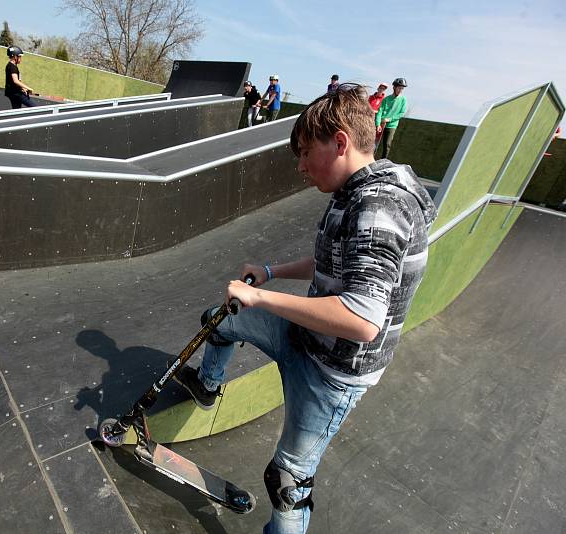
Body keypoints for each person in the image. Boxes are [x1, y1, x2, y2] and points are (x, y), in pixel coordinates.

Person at [175, 84, 436, 534]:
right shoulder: (356, 190)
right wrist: (271, 271)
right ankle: (208, 384)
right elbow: (338, 262)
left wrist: (259, 296)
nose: (300, 167)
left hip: (332, 372)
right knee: (223, 316)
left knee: (287, 481)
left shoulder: (379, 208)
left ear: (340, 142)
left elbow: (363, 320)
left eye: (304, 153)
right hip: (306, 336)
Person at [375, 78, 408, 159]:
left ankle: (383, 161)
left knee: (387, 145)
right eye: (399, 88)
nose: (400, 90)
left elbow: (402, 113)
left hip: (391, 125)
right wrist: (378, 124)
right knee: (374, 143)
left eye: (402, 88)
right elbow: (380, 111)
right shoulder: (386, 99)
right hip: (381, 124)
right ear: (394, 87)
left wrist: (390, 119)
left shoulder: (403, 100)